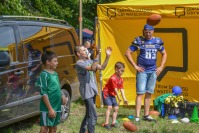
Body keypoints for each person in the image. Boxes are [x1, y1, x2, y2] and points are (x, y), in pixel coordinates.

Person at [125, 24, 167, 122]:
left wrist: (161, 66)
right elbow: (127, 52)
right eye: (146, 32)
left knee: (149, 93)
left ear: (153, 31)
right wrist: (135, 66)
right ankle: (137, 116)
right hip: (143, 71)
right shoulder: (139, 41)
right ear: (143, 31)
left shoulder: (157, 41)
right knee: (140, 93)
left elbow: (164, 53)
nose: (148, 34)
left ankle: (146, 115)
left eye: (150, 32)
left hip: (153, 71)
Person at [75, 45, 112, 133]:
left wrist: (107, 57)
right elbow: (92, 68)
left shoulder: (89, 61)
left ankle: (82, 131)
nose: (86, 51)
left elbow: (102, 67)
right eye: (83, 50)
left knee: (89, 113)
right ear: (78, 53)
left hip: (93, 90)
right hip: (86, 92)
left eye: (86, 49)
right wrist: (96, 56)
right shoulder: (79, 63)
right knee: (93, 115)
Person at [35, 51, 67, 133]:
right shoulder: (44, 75)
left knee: (53, 128)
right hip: (48, 108)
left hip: (56, 106)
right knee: (45, 128)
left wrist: (62, 95)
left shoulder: (55, 74)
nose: (57, 63)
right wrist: (50, 109)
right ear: (48, 62)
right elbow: (43, 93)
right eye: (55, 61)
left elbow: (57, 87)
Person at [102, 61, 128, 130]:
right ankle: (106, 124)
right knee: (109, 107)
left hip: (112, 94)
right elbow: (115, 89)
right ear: (116, 69)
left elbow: (121, 89)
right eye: (121, 70)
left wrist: (124, 98)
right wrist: (119, 98)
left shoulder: (121, 79)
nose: (122, 72)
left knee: (116, 108)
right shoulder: (113, 78)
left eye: (123, 71)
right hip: (106, 93)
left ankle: (113, 123)